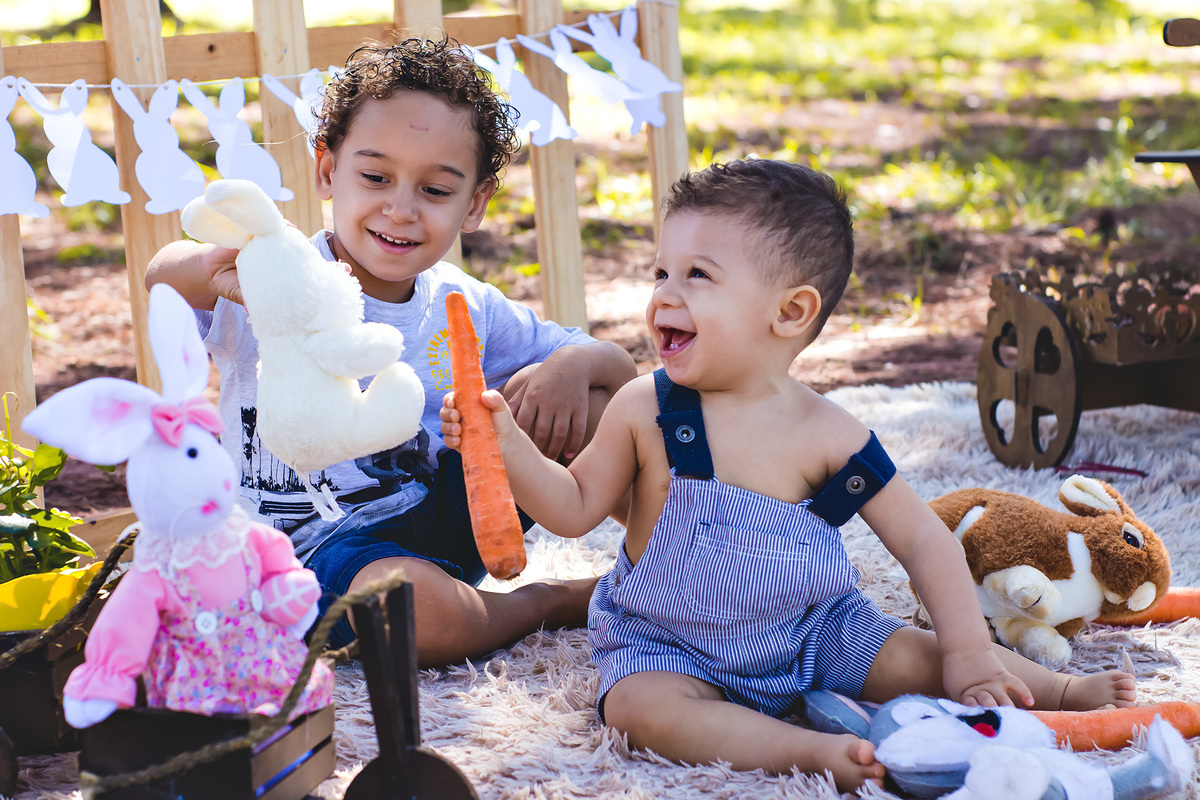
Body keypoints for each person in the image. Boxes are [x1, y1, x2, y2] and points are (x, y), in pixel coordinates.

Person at [440, 158, 1137, 792]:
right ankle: (802, 751)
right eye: (661, 271)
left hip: (812, 631)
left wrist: (967, 654)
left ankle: (1061, 693)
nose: (663, 295)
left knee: (917, 659)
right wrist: (503, 443)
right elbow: (571, 508)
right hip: (666, 638)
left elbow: (924, 542)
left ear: (791, 311)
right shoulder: (643, 407)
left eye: (697, 275)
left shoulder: (828, 433)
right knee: (637, 709)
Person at [145, 36, 637, 665]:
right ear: (328, 171)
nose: (400, 210)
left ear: (475, 203)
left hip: (449, 516)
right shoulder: (278, 277)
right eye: (375, 177)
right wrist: (222, 272)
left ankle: (670, 575)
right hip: (319, 555)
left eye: (435, 191)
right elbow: (161, 273)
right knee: (404, 608)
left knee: (588, 401)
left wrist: (566, 369)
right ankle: (546, 603)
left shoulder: (466, 301)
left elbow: (617, 373)